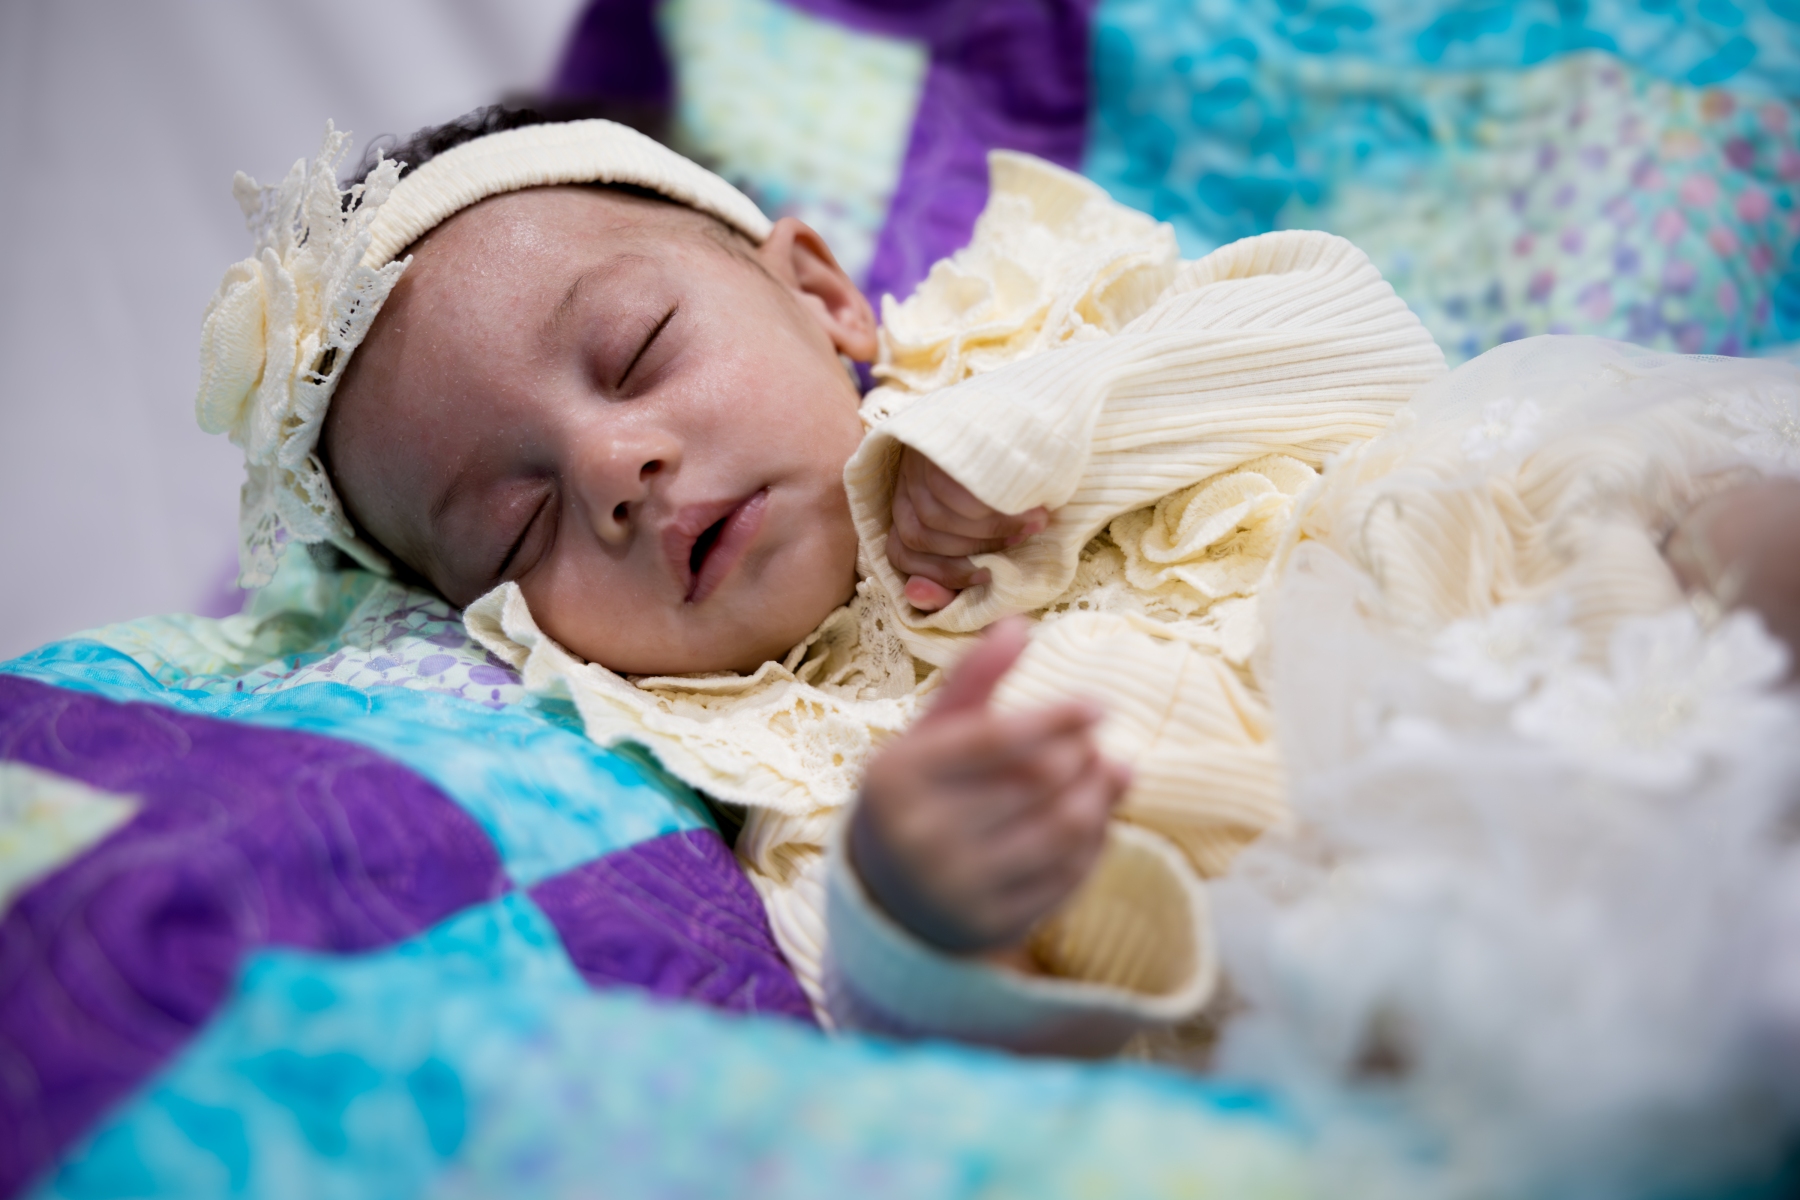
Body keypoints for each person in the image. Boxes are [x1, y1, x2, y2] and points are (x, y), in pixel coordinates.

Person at [196, 106, 1800, 1057]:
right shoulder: (801, 784)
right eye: (516, 524)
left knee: (1675, 508)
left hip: (1522, 609)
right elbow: (888, 1046)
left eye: (636, 354)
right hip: (1415, 923)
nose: (616, 470)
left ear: (821, 294)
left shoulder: (1038, 338)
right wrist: (920, 921)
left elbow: (1367, 348)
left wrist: (1056, 428)